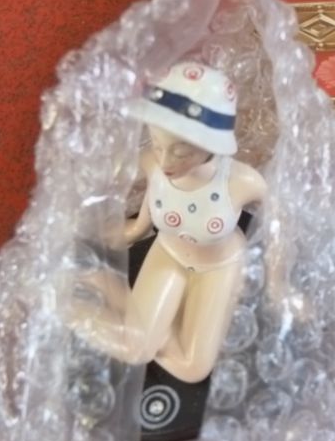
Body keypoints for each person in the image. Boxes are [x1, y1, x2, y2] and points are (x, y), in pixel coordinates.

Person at [68, 61, 267, 383]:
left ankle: (127, 309)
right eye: (158, 146)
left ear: (210, 146)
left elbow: (281, 223)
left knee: (193, 369)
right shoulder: (152, 164)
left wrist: (280, 285)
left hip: (219, 264)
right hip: (169, 252)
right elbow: (151, 198)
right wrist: (134, 229)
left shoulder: (243, 181)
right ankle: (69, 306)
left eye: (181, 152)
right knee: (136, 350)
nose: (165, 161)